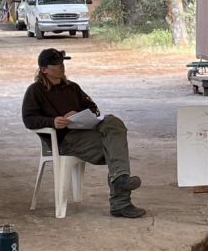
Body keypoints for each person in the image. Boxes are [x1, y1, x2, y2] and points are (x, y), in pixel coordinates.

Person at [20, 48, 144, 218]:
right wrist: (53, 121)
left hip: (86, 130)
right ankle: (120, 201)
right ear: (44, 69)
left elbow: (93, 107)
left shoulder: (72, 87)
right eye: (56, 64)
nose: (61, 66)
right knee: (116, 149)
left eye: (62, 62)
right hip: (65, 140)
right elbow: (29, 119)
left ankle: (121, 183)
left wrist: (79, 114)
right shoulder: (35, 91)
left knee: (113, 123)